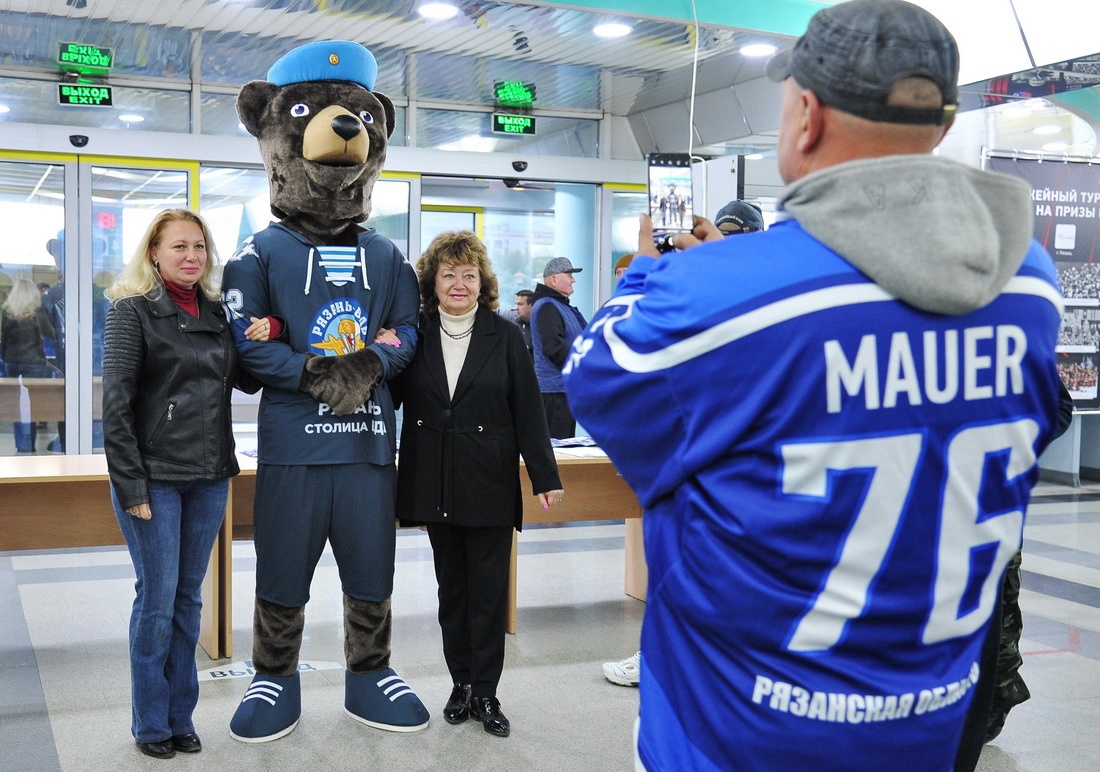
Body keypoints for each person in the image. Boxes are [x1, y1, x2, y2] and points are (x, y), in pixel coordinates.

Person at [562, 2, 1064, 770]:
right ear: (940, 122)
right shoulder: (1029, 280)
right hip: (928, 720)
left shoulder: (702, 298)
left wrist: (662, 276)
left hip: (737, 729)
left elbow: (608, 402)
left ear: (806, 115)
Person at [101, 208, 271, 760]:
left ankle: (181, 717)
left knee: (187, 600)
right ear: (154, 253)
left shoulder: (219, 313)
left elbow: (244, 377)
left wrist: (271, 329)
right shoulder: (133, 312)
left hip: (209, 475)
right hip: (154, 478)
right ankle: (151, 723)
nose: (191, 256)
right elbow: (117, 409)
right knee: (156, 599)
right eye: (178, 247)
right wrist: (132, 489)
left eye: (198, 246)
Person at [391, 230, 562, 738]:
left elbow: (529, 411)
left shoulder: (505, 335)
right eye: (449, 274)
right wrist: (381, 349)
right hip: (436, 479)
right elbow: (393, 396)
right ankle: (460, 684)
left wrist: (543, 475)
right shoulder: (415, 333)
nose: (459, 284)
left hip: (487, 479)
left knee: (488, 594)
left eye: (468, 275)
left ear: (482, 282)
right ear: (433, 282)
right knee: (453, 593)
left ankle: (487, 692)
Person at [601, 202, 764, 689]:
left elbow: (602, 367)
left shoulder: (757, 297)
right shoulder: (712, 295)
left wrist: (641, 279)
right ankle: (660, 655)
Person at [530, 257, 588, 439]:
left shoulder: (558, 306)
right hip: (554, 395)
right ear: (553, 279)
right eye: (569, 275)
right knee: (557, 451)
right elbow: (553, 348)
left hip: (561, 392)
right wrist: (580, 370)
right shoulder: (548, 306)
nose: (573, 280)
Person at [1, 278, 57, 453]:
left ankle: (23, 445)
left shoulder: (8, 313)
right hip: (34, 362)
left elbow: (3, 341)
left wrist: (6, 358)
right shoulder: (38, 312)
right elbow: (52, 334)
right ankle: (29, 443)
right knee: (32, 406)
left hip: (12, 362)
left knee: (18, 406)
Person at [512, 288, 534, 356]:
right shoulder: (514, 327)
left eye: (520, 304)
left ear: (531, 305)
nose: (516, 308)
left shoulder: (543, 325)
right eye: (516, 304)